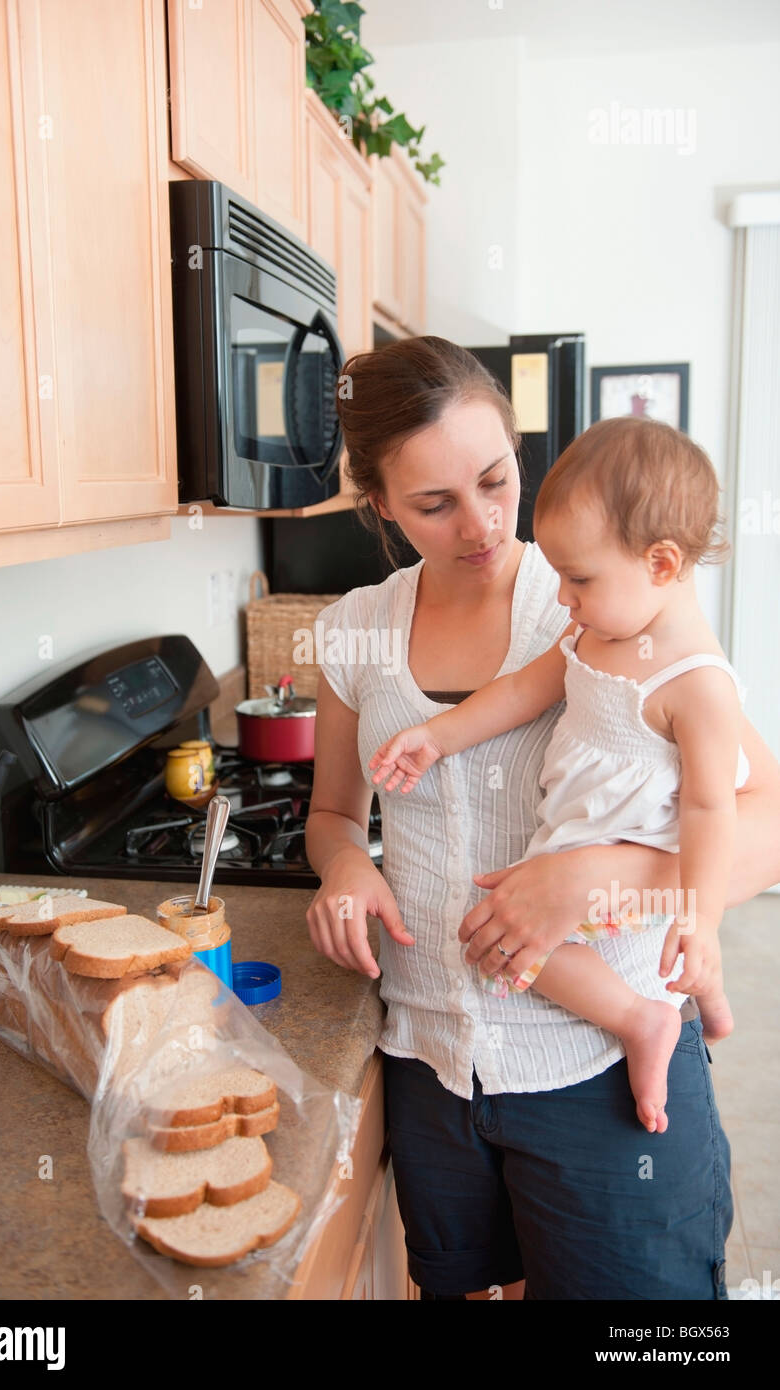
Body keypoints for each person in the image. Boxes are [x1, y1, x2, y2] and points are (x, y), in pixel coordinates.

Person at [304, 336, 780, 1300]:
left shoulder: (606, 600)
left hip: (599, 1064)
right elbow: (331, 814)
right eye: (434, 504)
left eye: (494, 479)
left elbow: (760, 816)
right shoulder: (356, 625)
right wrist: (346, 867)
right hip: (432, 1063)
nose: (479, 523)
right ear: (381, 507)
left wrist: (593, 881)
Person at [366, 414, 747, 1136]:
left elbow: (711, 809)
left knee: (508, 944)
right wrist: (436, 737)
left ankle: (643, 1022)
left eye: (578, 579)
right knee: (519, 935)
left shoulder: (698, 684)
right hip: (575, 834)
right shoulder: (598, 631)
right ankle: (707, 999)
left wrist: (702, 919)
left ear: (661, 564)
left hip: (617, 853)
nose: (562, 598)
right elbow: (520, 692)